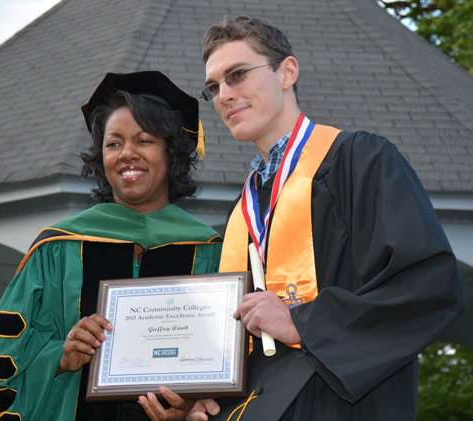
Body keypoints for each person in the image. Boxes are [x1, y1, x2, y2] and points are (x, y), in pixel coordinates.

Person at [184, 15, 465, 421]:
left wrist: (303, 322)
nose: (224, 94)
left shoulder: (361, 160)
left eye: (238, 75)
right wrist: (207, 394)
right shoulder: (243, 209)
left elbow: (428, 284)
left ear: (287, 72)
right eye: (214, 86)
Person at [0, 71, 222, 421]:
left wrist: (191, 408)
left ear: (170, 150)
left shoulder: (212, 251)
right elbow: (3, 368)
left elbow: (236, 373)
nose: (127, 154)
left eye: (144, 140)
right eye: (114, 143)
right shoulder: (55, 249)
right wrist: (61, 357)